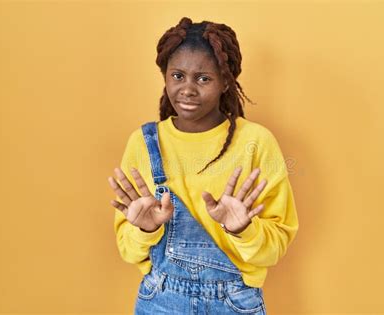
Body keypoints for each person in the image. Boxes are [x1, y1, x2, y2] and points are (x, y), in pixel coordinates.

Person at [107, 17, 299, 315]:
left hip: (234, 302)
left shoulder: (257, 143)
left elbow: (274, 248)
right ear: (165, 77)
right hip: (160, 299)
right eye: (178, 76)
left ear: (225, 81)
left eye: (203, 78)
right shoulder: (144, 143)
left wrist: (243, 229)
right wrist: (145, 228)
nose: (187, 89)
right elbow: (129, 250)